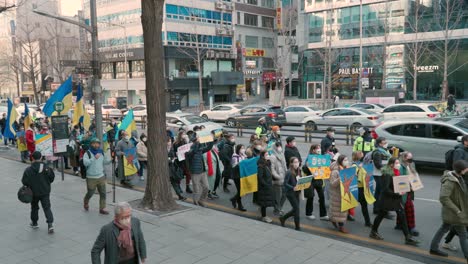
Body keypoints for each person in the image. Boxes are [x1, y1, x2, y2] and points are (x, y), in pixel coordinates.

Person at [369, 157, 419, 246]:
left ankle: (408, 237)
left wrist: (407, 187)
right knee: (381, 215)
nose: (398, 164)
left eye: (398, 163)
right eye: (396, 163)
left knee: (402, 216)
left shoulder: (397, 172)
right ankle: (373, 231)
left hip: (396, 199)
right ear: (391, 164)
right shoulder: (387, 174)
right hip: (387, 199)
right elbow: (385, 189)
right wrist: (398, 193)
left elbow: (399, 184)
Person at [430, 160, 468, 258]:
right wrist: (457, 210)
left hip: (454, 212)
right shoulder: (450, 181)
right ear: (462, 170)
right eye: (466, 168)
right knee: (463, 234)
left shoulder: (458, 177)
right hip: (455, 213)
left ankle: (433, 248)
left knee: (444, 228)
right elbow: (443, 197)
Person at [21, 151, 55, 233]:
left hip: (33, 193)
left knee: (34, 208)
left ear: (32, 158)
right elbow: (52, 178)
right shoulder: (47, 168)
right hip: (45, 192)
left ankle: (35, 223)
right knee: (47, 208)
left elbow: (24, 181)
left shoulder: (28, 170)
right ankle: (50, 224)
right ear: (41, 157)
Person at [83, 138, 111, 215]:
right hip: (91, 177)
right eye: (94, 143)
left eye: (97, 143)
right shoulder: (87, 153)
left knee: (103, 193)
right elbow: (85, 163)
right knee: (90, 192)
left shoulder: (101, 152)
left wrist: (111, 159)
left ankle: (102, 208)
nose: (96, 145)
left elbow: (105, 161)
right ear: (91, 144)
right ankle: (86, 201)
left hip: (101, 176)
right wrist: (94, 158)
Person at [185, 133, 213, 207]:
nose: (200, 139)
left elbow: (208, 148)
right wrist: (197, 142)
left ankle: (202, 200)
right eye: (198, 138)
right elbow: (194, 149)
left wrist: (211, 140)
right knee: (196, 189)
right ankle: (196, 202)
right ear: (194, 140)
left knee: (206, 187)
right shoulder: (190, 150)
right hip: (195, 172)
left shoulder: (200, 149)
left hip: (202, 171)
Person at [303, 144, 329, 221]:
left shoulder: (321, 158)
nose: (319, 150)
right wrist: (307, 166)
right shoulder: (309, 158)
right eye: (317, 148)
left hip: (319, 180)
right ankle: (308, 213)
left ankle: (323, 215)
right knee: (310, 197)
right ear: (313, 150)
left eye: (320, 148)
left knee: (322, 197)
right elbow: (305, 169)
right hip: (311, 180)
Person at [397, 152, 419, 236]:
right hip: (403, 190)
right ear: (404, 158)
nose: (411, 159)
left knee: (402, 208)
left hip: (409, 190)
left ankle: (399, 224)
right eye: (410, 157)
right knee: (409, 208)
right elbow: (400, 179)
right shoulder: (400, 166)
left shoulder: (411, 164)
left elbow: (414, 175)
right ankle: (411, 227)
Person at [372, 137, 392, 218]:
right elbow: (378, 165)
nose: (386, 143)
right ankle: (381, 210)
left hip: (383, 173)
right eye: (384, 142)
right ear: (380, 143)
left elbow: (387, 158)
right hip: (379, 174)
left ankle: (377, 209)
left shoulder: (384, 150)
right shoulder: (377, 152)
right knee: (382, 192)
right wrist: (388, 166)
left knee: (378, 191)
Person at [279, 157, 302, 230]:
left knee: (295, 209)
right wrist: (292, 187)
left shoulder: (299, 170)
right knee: (297, 209)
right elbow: (285, 183)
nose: (296, 164)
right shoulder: (289, 172)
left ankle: (283, 218)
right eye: (295, 162)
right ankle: (297, 227)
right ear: (291, 163)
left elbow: (300, 180)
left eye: (297, 162)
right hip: (290, 193)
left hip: (297, 192)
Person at [329, 155, 350, 233]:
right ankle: (341, 226)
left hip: (345, 193)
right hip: (337, 195)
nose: (346, 161)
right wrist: (340, 177)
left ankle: (335, 220)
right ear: (340, 161)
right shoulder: (335, 171)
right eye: (345, 160)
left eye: (347, 160)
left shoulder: (347, 169)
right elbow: (332, 183)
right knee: (338, 210)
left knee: (342, 211)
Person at [351, 151, 372, 227]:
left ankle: (367, 221)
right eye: (362, 154)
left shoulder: (361, 164)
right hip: (358, 188)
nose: (363, 156)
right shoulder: (355, 165)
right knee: (353, 203)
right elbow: (353, 176)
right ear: (358, 156)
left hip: (362, 187)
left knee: (364, 205)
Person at [255, 150, 275, 223]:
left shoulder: (267, 163)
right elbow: (260, 177)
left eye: (268, 154)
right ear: (263, 156)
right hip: (263, 187)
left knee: (265, 201)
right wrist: (266, 184)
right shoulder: (261, 165)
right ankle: (264, 217)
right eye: (266, 155)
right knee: (264, 202)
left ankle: (262, 213)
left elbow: (269, 173)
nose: (268, 156)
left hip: (268, 185)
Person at [270, 142, 287, 215]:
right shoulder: (272, 157)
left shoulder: (282, 155)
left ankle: (279, 208)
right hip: (277, 180)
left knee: (284, 195)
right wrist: (277, 176)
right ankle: (276, 210)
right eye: (277, 146)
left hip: (284, 178)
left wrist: (287, 174)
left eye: (280, 146)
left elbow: (285, 166)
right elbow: (272, 169)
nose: (279, 148)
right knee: (277, 196)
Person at [230, 144, 247, 211]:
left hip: (242, 175)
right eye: (241, 148)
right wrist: (241, 163)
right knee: (240, 190)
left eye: (243, 148)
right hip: (236, 175)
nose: (243, 149)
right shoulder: (235, 156)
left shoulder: (243, 155)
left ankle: (233, 199)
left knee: (241, 190)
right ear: (238, 149)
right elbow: (234, 166)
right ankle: (240, 205)